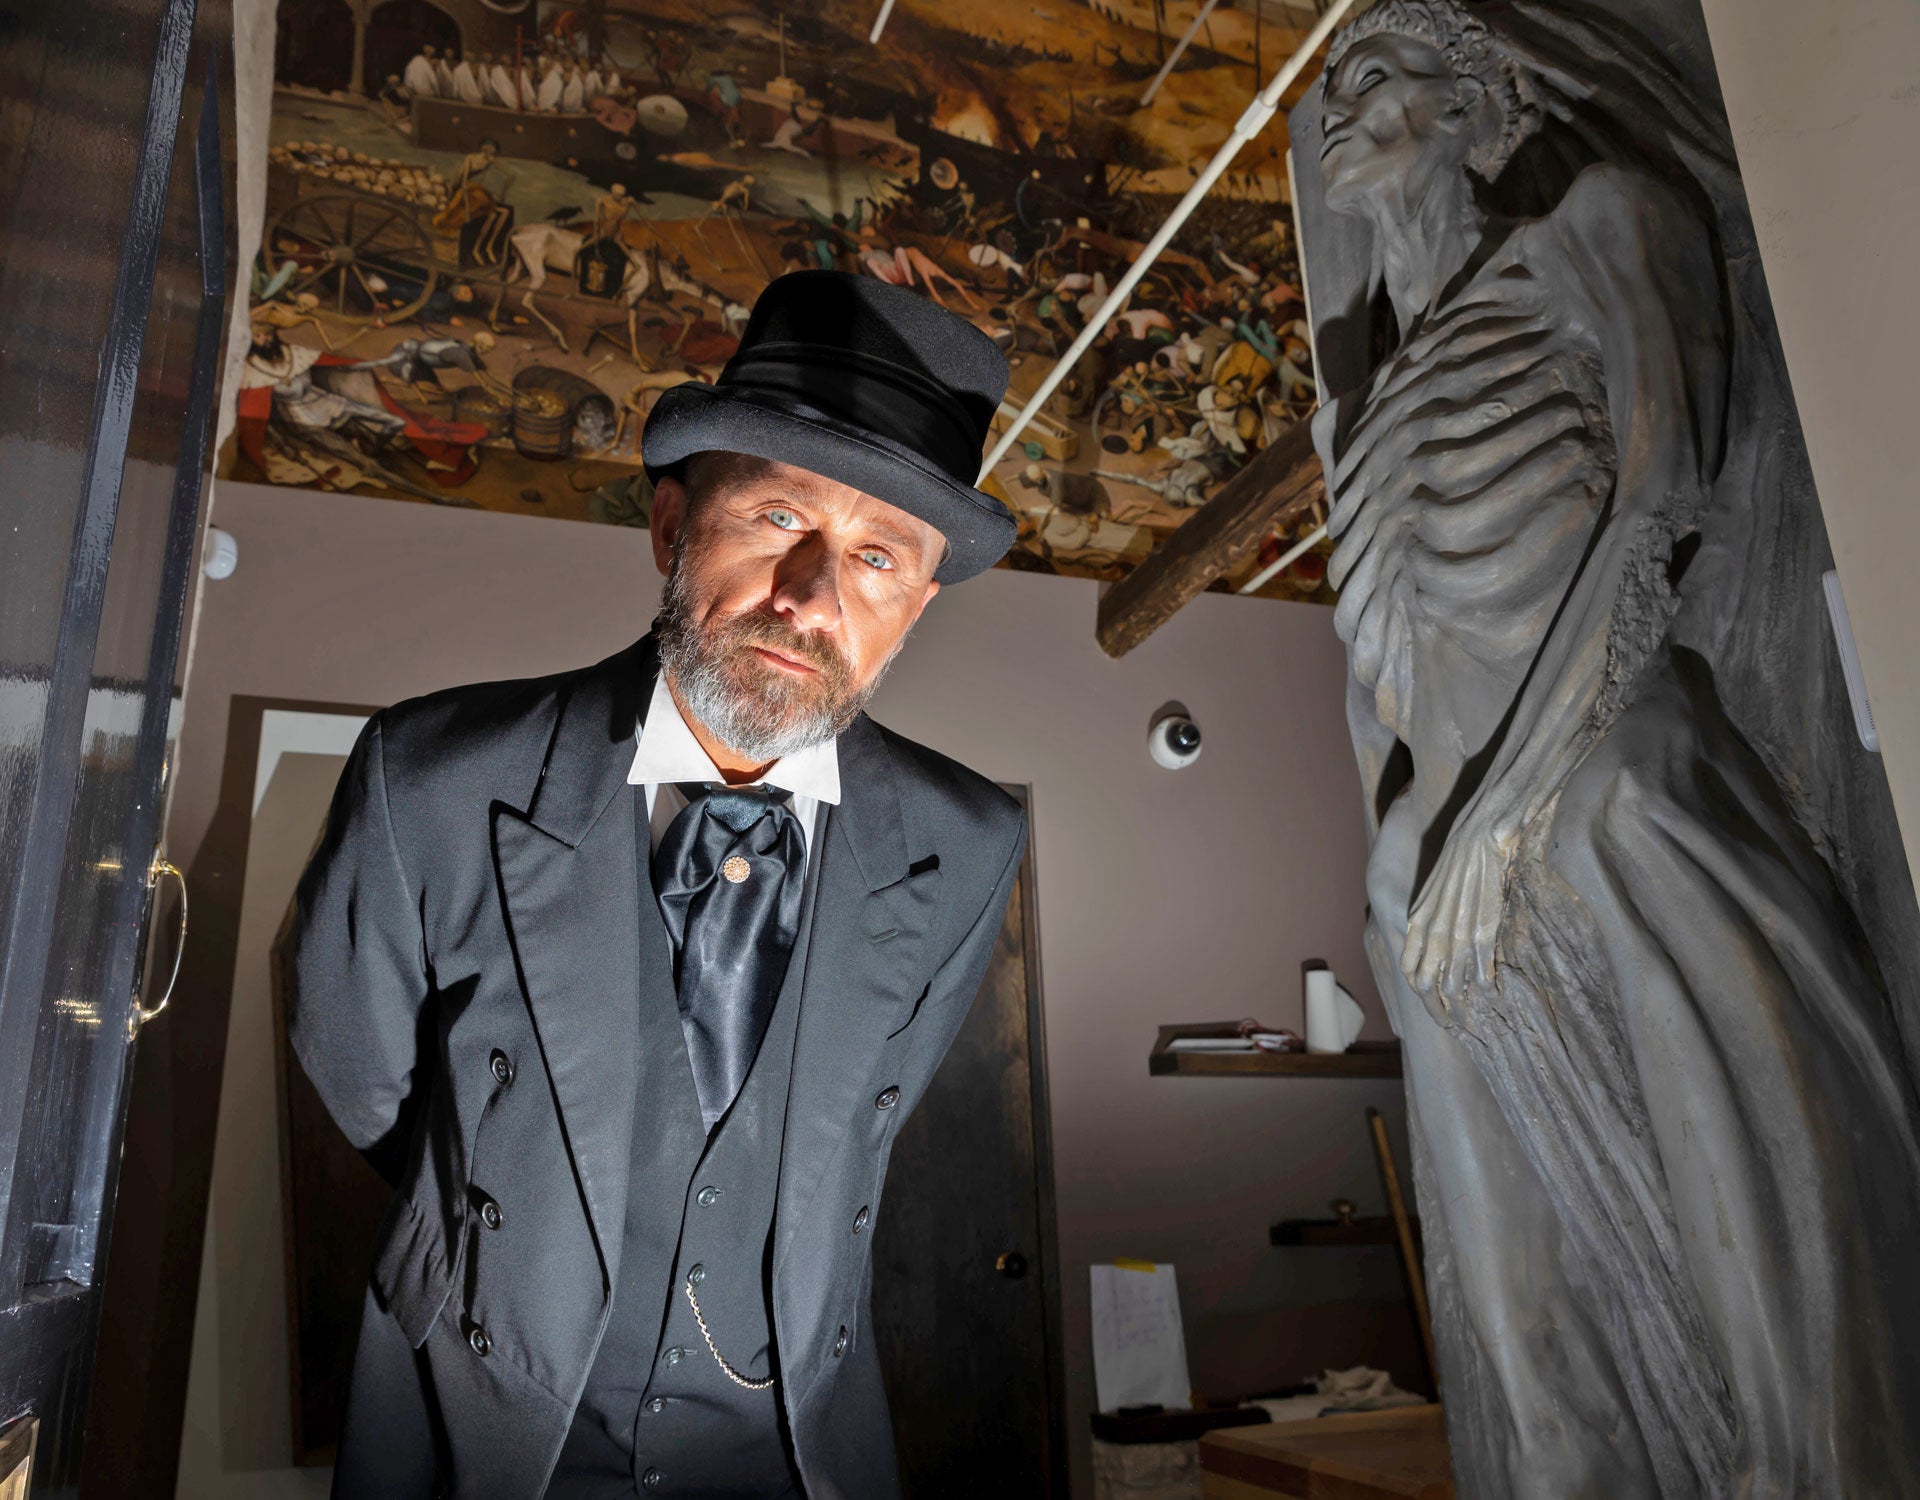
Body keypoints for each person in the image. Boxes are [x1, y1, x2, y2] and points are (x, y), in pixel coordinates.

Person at [1309, 4, 1920, 1497]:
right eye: (1329, 85)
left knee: (1622, 809)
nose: (1332, 105)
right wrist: (1428, 834)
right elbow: (1373, 674)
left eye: (1373, 73)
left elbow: (1659, 497)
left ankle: (1821, 1457)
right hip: (1437, 836)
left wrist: (1508, 809)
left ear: (1473, 105)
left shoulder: (1592, 227)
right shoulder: (1354, 406)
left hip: (1601, 750)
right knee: (1405, 904)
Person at [290, 271, 1027, 1500]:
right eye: (780, 516)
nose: (812, 598)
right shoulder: (429, 780)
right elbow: (363, 1081)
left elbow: (862, 1124)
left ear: (916, 605)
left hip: (796, 1460)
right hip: (479, 1439)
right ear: (673, 525)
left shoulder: (969, 842)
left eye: (878, 558)